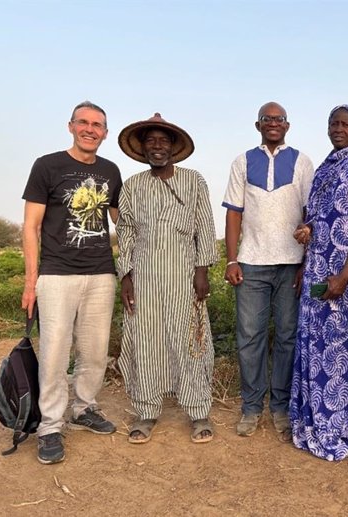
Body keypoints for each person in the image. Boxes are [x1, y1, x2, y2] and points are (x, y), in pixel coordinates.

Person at [21, 100, 122, 464]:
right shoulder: (47, 166)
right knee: (55, 352)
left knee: (94, 351)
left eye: (98, 125)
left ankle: (83, 408)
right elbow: (31, 227)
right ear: (71, 126)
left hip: (100, 273)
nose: (90, 129)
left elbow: (121, 221)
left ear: (105, 133)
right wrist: (31, 281)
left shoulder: (111, 171)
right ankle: (50, 425)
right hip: (57, 273)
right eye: (84, 123)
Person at [116, 113, 218, 444]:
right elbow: (127, 231)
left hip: (184, 274)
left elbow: (205, 225)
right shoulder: (133, 186)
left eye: (163, 141)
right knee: (147, 342)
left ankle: (199, 410)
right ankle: (146, 411)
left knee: (190, 340)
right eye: (150, 141)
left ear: (173, 147)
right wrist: (126, 276)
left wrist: (202, 270)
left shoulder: (193, 180)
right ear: (143, 149)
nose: (157, 146)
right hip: (144, 275)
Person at [290, 104, 348, 461]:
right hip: (315, 266)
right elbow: (317, 217)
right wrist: (307, 230)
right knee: (314, 343)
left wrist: (345, 274)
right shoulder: (324, 168)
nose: (338, 128)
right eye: (333, 123)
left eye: (345, 123)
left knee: (341, 348)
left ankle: (341, 426)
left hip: (345, 271)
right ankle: (312, 424)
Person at [223, 102, 314, 438]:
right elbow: (234, 213)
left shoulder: (302, 161)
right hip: (251, 263)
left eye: (279, 119)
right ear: (257, 125)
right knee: (250, 337)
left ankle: (280, 407)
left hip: (290, 264)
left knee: (288, 337)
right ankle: (251, 407)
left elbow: (310, 214)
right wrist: (232, 259)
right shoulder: (243, 160)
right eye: (267, 119)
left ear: (287, 126)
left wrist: (306, 262)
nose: (274, 123)